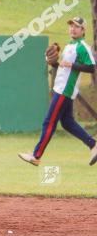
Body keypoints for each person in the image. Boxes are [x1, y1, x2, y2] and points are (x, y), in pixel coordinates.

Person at [19, 16, 97, 167]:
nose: (72, 28)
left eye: (76, 26)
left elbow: (91, 67)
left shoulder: (82, 46)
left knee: (49, 122)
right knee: (67, 123)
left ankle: (36, 155)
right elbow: (63, 67)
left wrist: (72, 64)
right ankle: (93, 145)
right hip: (60, 89)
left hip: (64, 90)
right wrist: (54, 63)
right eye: (71, 26)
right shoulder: (70, 45)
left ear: (83, 30)